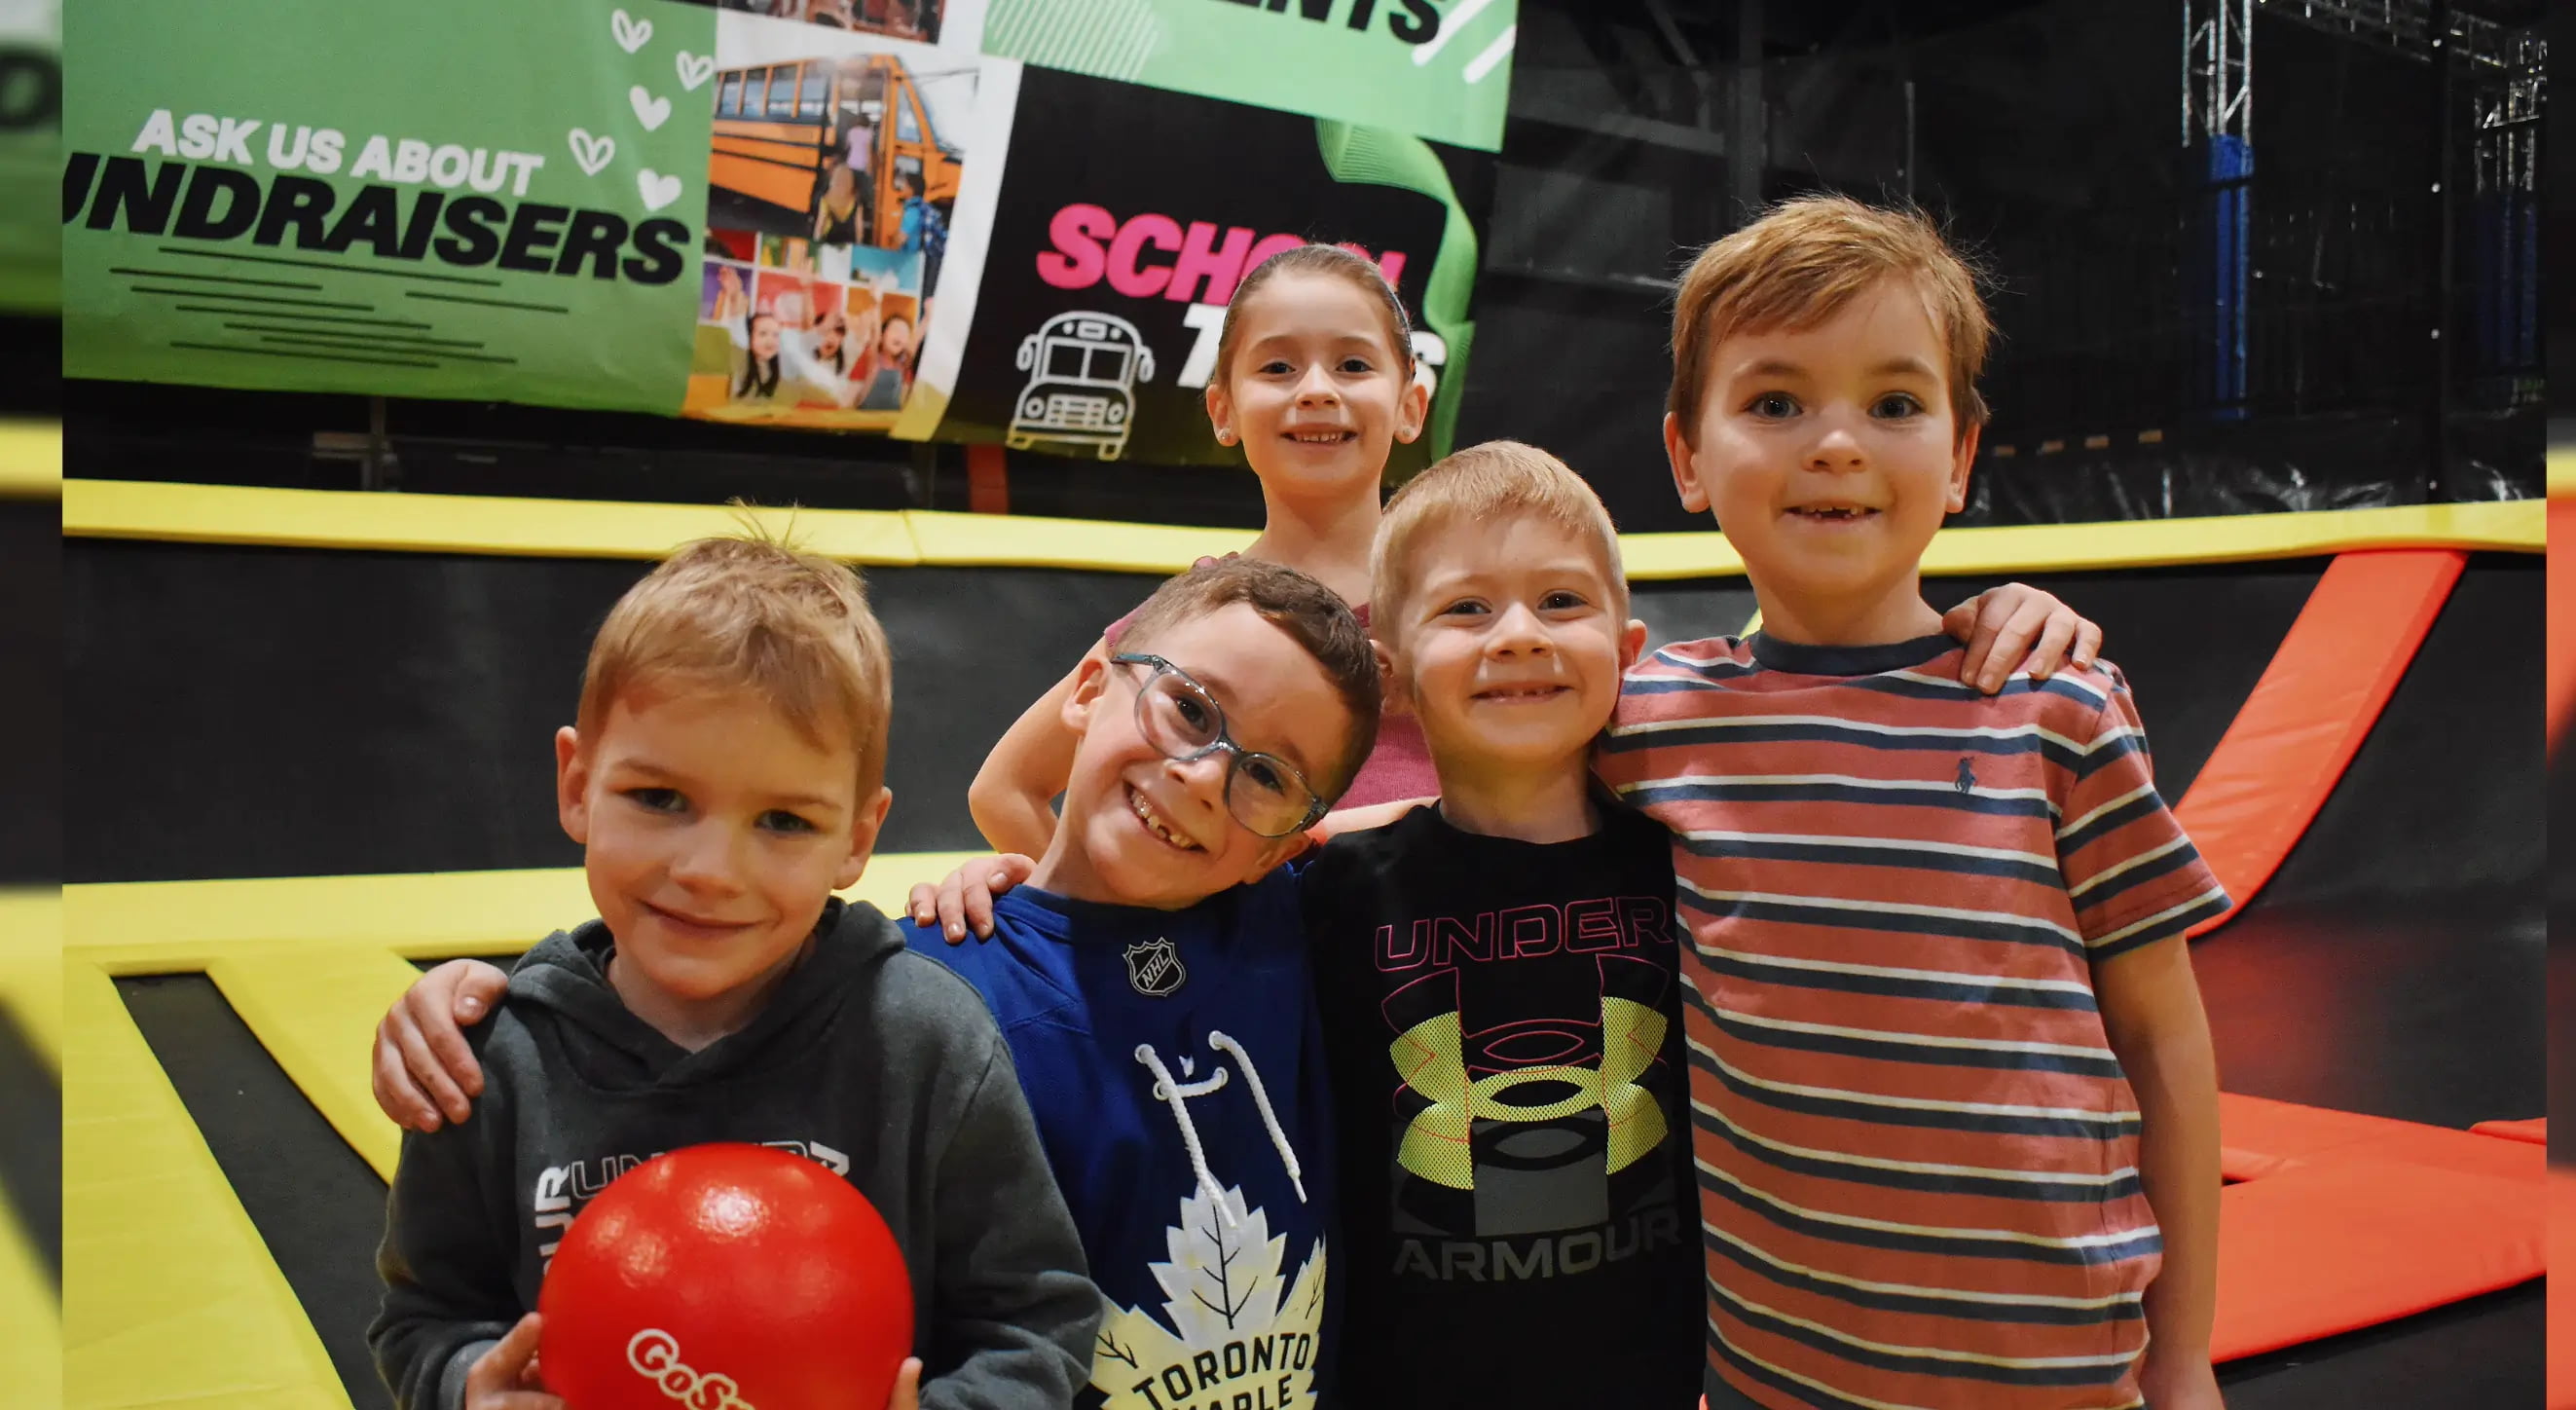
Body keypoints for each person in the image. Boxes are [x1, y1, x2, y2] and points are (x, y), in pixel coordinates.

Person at [372, 557, 1373, 1410]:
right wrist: (466, 1385)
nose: (712, 870)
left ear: (859, 837)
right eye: (660, 797)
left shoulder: (925, 1029)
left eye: (783, 821)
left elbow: (1031, 1316)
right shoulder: (488, 1059)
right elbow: (426, 1315)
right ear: (576, 783)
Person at [1600, 194, 2231, 1410]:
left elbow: (2164, 1036)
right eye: (1775, 402)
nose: (1837, 443)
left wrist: (2186, 1353)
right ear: (1687, 456)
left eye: (1893, 404)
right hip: (1771, 1371)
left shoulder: (2056, 707)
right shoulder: (1644, 723)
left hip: (2052, 1370)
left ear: (1958, 459)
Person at [814, 158, 864, 247]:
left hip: (830, 239)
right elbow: (859, 228)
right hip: (848, 241)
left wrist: (816, 243)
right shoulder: (856, 202)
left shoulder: (826, 200)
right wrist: (859, 245)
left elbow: (820, 224)